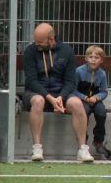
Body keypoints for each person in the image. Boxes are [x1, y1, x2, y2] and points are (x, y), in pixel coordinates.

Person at [22, 23, 93, 162]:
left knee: (78, 104)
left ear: (51, 38)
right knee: (38, 101)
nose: (36, 45)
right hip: (37, 92)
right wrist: (50, 98)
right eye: (35, 41)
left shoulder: (67, 51)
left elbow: (71, 81)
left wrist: (60, 97)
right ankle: (37, 148)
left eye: (40, 42)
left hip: (61, 93)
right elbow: (31, 81)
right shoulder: (30, 52)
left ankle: (83, 150)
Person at [74, 45, 109, 158]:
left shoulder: (102, 74)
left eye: (96, 57)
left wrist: (97, 98)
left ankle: (98, 141)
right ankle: (83, 141)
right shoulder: (79, 71)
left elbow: (104, 91)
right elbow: (73, 89)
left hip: (95, 100)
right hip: (82, 99)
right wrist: (84, 98)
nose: (93, 59)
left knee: (101, 113)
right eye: (90, 57)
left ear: (101, 60)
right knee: (84, 112)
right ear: (86, 58)